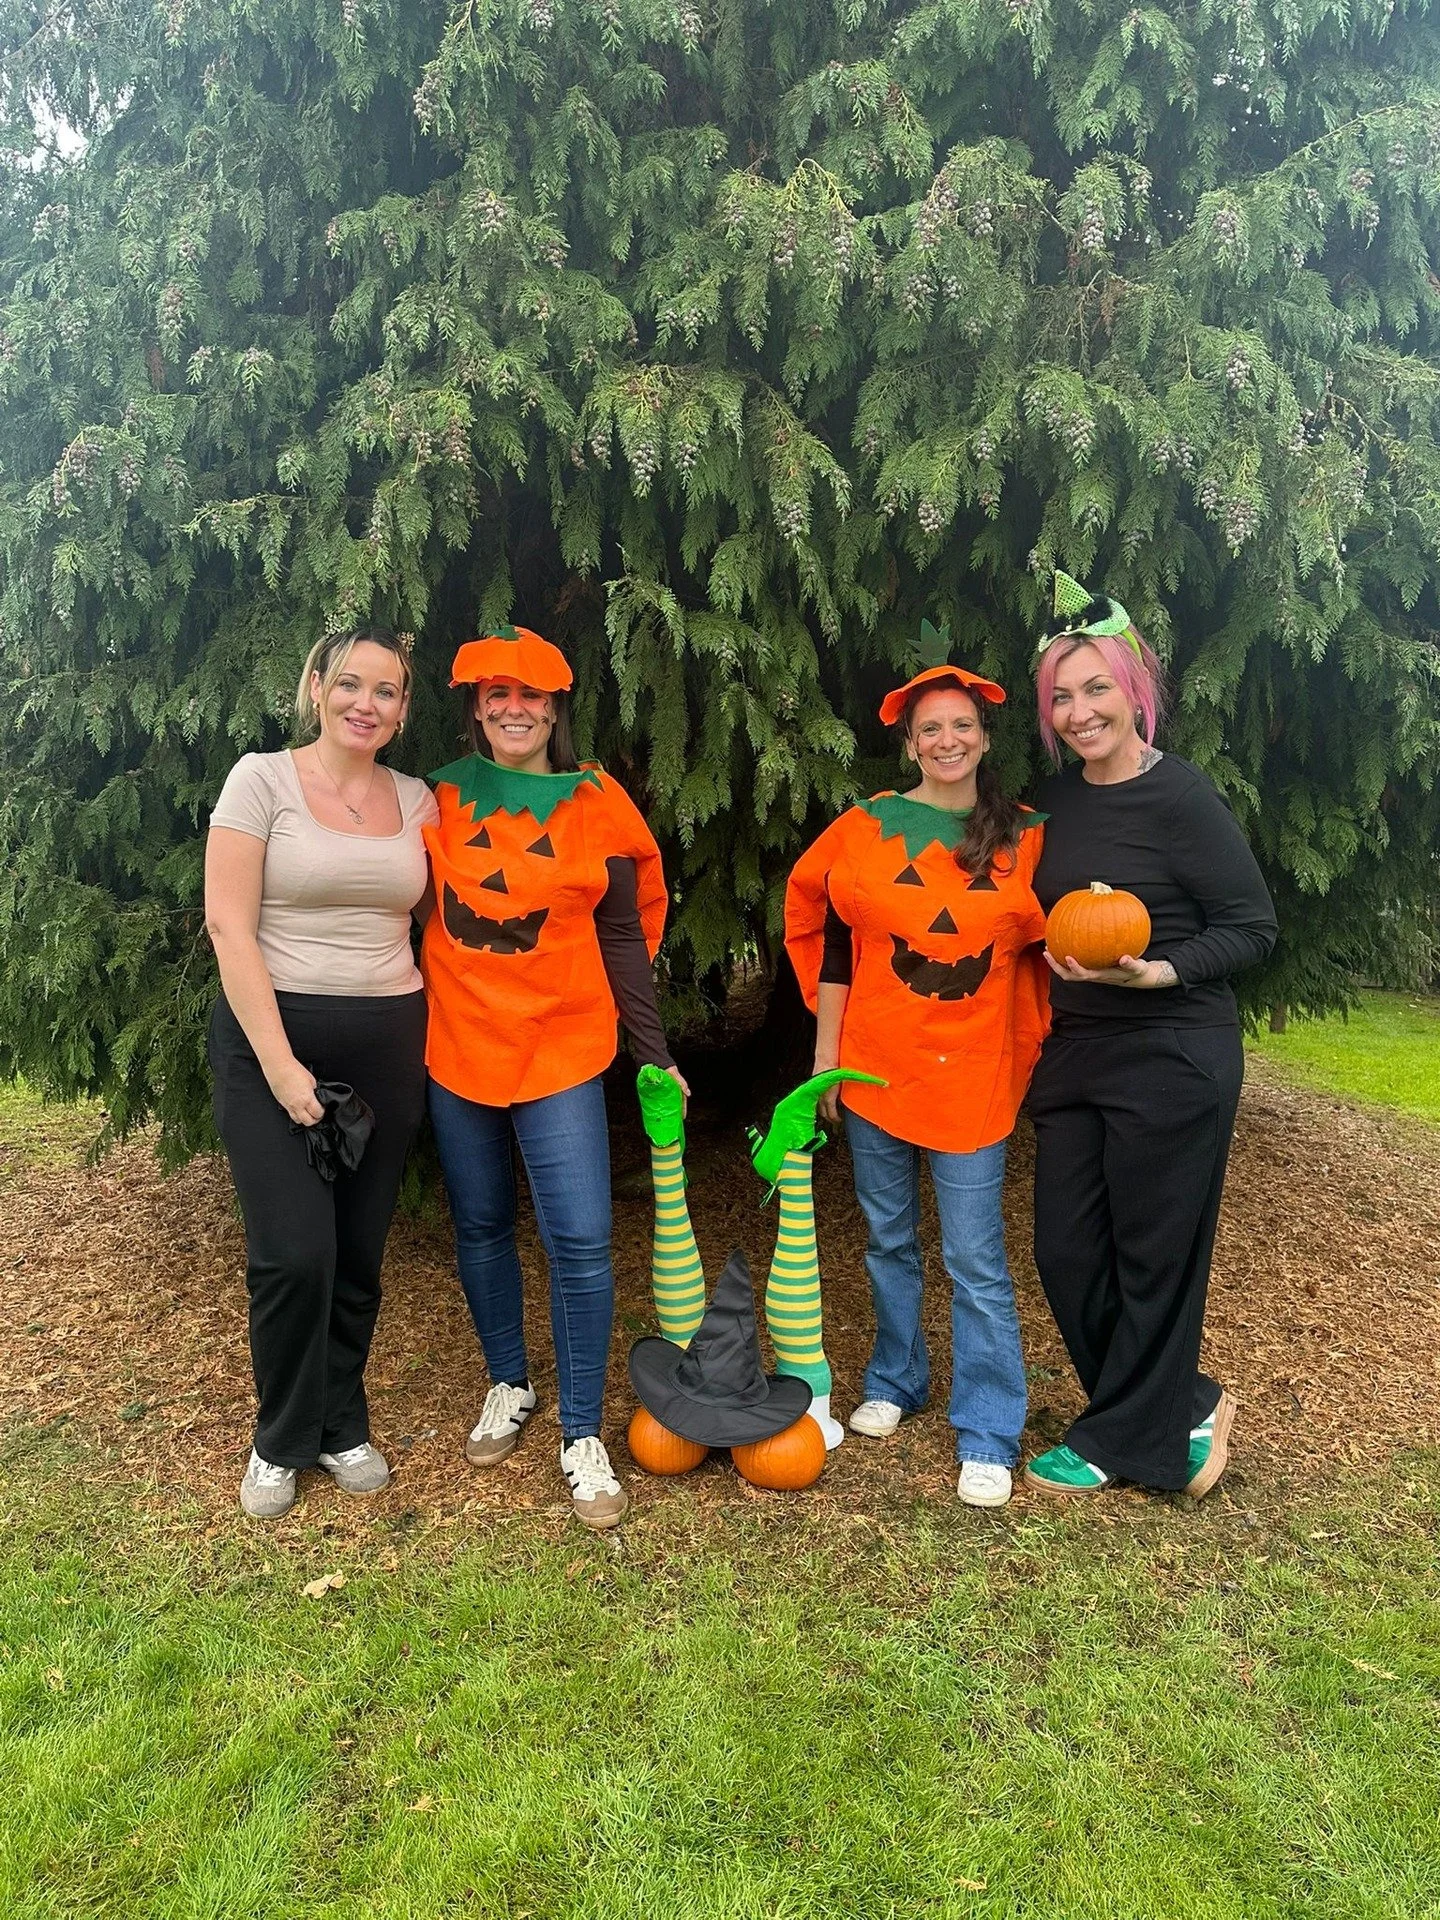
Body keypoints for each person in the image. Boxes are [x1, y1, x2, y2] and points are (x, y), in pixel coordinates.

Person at [421, 625, 686, 1531]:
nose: (513, 709)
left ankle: (581, 1431)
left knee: (579, 1239)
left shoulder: (597, 803)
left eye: (530, 696)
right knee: (483, 1223)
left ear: (556, 707)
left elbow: (621, 933)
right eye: (496, 696)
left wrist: (654, 1051)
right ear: (477, 708)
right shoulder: (443, 798)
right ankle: (508, 1381)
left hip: (563, 1048)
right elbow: (402, 902)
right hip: (459, 1044)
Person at [1024, 570, 1277, 1499]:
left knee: (1153, 1253)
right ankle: (1185, 1402)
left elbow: (1252, 926)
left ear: (1134, 692)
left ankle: (1118, 1440)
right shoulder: (1057, 803)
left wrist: (1159, 968)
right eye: (1063, 695)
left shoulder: (1182, 798)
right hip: (1080, 1047)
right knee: (1067, 1250)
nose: (1081, 711)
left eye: (1097, 689)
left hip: (1174, 1048)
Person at [785, 638, 1050, 1507]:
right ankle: (897, 1378)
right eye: (930, 728)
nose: (946, 740)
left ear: (982, 737)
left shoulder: (1027, 838)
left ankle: (988, 1426)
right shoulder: (865, 829)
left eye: (961, 726)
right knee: (888, 1238)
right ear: (909, 742)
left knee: (975, 1258)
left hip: (971, 1074)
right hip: (874, 1067)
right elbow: (833, 944)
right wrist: (826, 1060)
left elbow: (1060, 946)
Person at [205, 625, 436, 1520]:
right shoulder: (259, 780)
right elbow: (228, 925)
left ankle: (342, 1423)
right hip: (271, 1039)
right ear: (314, 686)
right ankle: (280, 1437)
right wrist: (283, 1071)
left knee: (356, 1256)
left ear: (404, 709)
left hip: (388, 1040)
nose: (365, 703)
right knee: (294, 1253)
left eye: (386, 691)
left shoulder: (418, 800)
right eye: (349, 683)